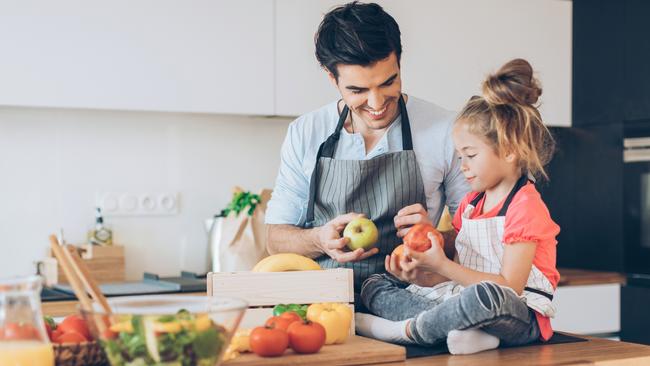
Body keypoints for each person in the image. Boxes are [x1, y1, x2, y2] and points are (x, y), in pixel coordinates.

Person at [356, 58, 561, 355]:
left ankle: (411, 330)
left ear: (510, 151)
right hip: (463, 300)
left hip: (516, 313)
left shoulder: (524, 206)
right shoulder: (470, 204)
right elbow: (460, 271)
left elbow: (509, 287)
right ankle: (464, 333)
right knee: (375, 284)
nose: (462, 166)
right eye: (459, 156)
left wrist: (442, 265)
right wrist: (423, 274)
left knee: (486, 298)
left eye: (470, 155)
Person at [264, 1, 469, 293]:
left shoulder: (445, 129)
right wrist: (318, 239)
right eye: (357, 90)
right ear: (331, 77)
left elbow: (477, 237)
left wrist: (433, 237)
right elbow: (275, 238)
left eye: (388, 83)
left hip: (413, 299)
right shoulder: (306, 132)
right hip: (324, 305)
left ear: (399, 62)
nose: (376, 104)